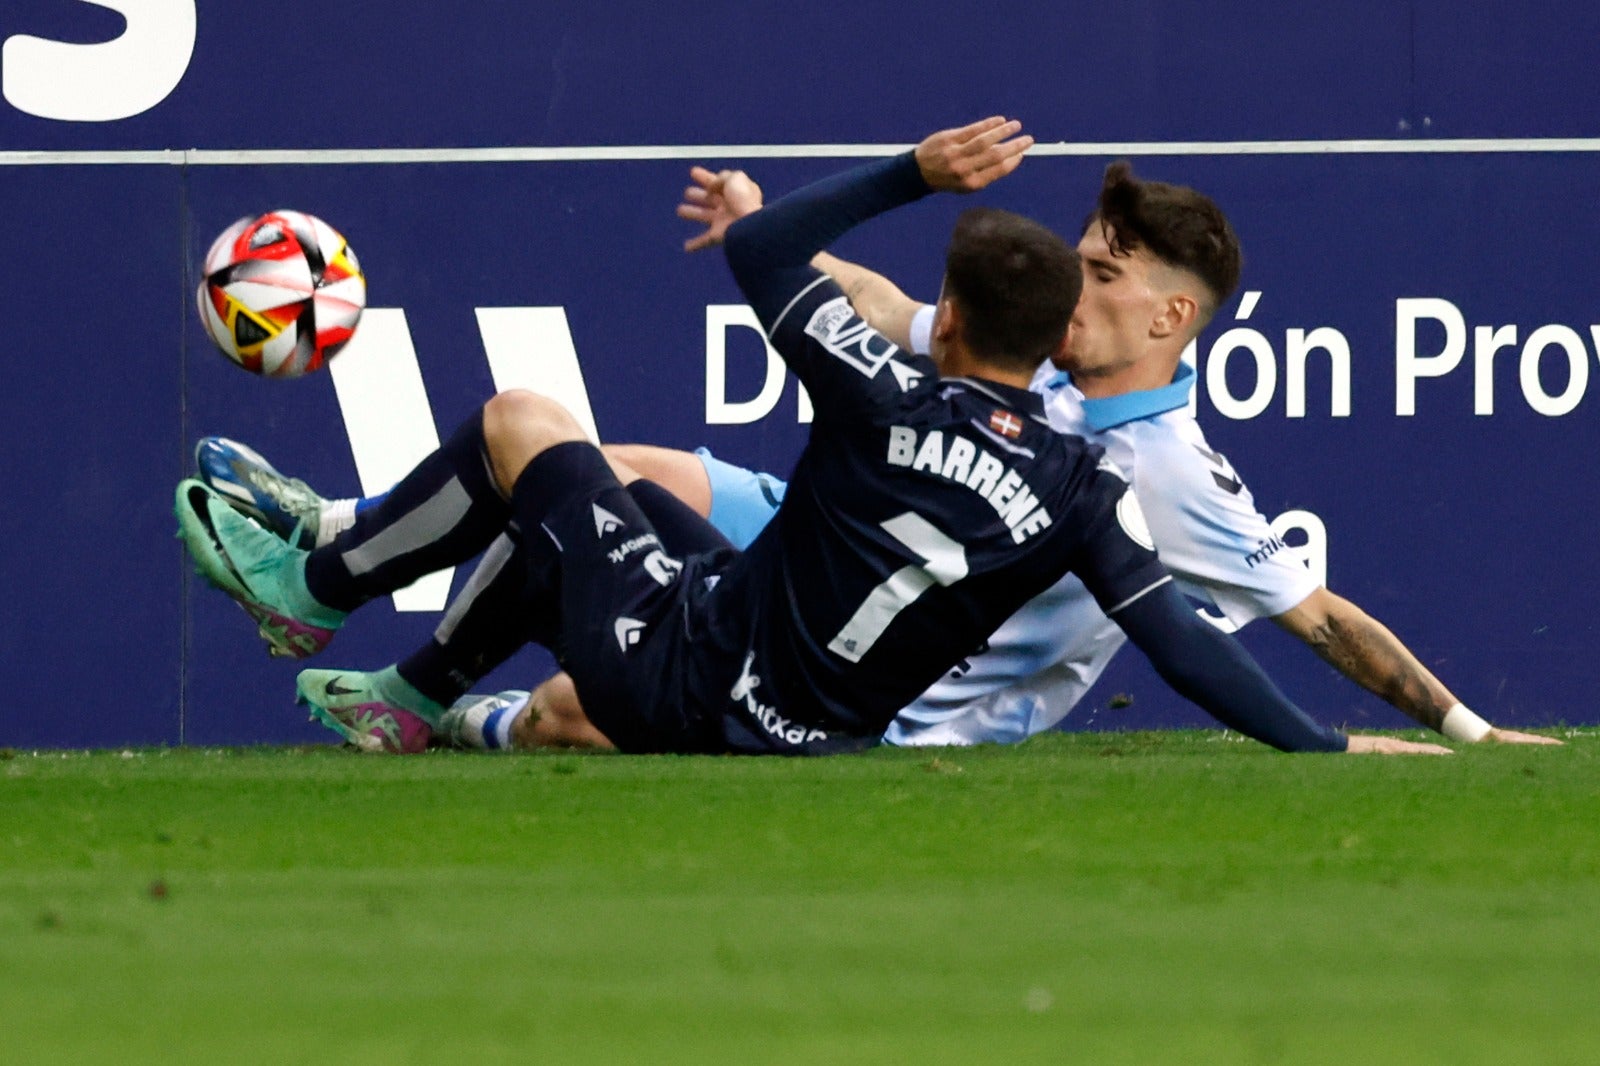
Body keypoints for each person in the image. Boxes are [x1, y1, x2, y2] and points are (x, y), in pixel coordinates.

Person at [196, 154, 1542, 753]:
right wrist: (762, 219)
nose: (1081, 287)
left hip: (903, 696)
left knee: (543, 494)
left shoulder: (1162, 470)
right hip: (833, 601)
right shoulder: (1064, 451)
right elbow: (887, 306)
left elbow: (1309, 615)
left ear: (1170, 317)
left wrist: (1456, 724)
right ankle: (370, 596)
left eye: (1105, 273)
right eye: (1075, 265)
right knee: (622, 475)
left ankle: (391, 637)